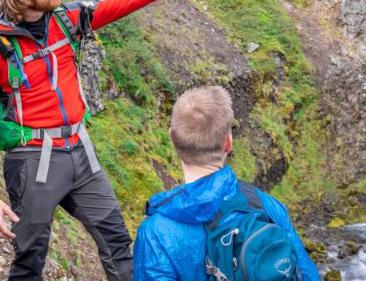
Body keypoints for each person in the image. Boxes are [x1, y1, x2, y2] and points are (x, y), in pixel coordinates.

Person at [0, 0, 220, 281]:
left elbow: (121, 1)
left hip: (81, 153)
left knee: (117, 243)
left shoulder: (67, 19)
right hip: (33, 161)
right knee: (30, 258)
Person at [133, 86, 320, 281]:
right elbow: (307, 275)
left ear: (172, 137)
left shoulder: (155, 233)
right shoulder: (268, 206)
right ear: (228, 143)